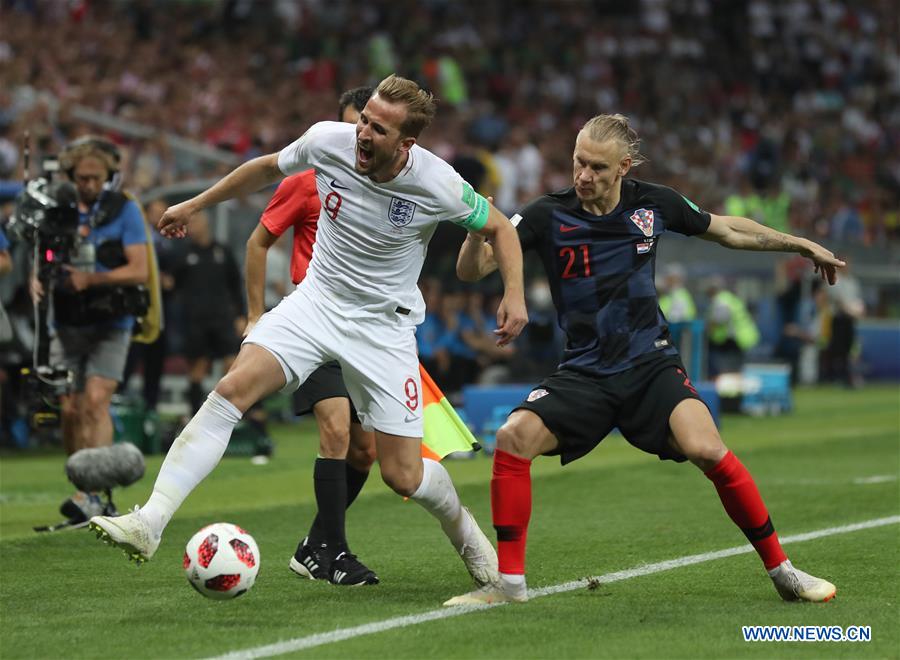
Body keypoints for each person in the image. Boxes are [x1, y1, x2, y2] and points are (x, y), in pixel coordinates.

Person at [90, 75, 528, 595]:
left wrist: (514, 294)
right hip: (315, 303)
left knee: (402, 476)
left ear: (406, 143)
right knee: (231, 390)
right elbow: (262, 168)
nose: (363, 134)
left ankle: (465, 532)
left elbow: (499, 227)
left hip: (382, 328)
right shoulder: (329, 141)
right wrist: (194, 205)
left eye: (379, 129)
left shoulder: (436, 182)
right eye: (364, 120)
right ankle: (150, 521)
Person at [446, 113, 842, 606]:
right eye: (577, 163)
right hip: (585, 373)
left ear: (623, 168)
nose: (582, 175)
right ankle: (509, 587)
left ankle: (784, 573)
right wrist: (476, 227)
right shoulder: (548, 215)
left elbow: (728, 230)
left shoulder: (653, 204)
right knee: (511, 438)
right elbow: (472, 270)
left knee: (709, 449)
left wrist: (798, 243)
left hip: (650, 365)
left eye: (595, 167)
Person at [243, 86, 382, 585]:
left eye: (367, 129)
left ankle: (313, 545)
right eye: (351, 127)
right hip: (315, 323)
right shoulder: (308, 180)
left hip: (365, 330)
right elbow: (258, 242)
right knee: (337, 431)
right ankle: (337, 554)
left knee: (366, 452)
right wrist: (256, 315)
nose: (358, 139)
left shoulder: (390, 186)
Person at [31, 136, 148, 522]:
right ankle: (84, 489)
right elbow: (42, 253)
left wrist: (91, 279)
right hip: (66, 321)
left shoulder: (123, 211)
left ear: (109, 176)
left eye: (97, 178)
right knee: (69, 410)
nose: (90, 186)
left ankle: (95, 495)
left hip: (111, 321)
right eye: (83, 178)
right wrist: (38, 277)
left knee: (96, 401)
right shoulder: (57, 209)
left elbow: (139, 269)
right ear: (70, 176)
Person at [171, 210, 246, 415]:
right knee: (198, 369)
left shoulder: (223, 251)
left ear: (206, 223)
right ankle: (195, 414)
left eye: (196, 221)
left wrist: (241, 315)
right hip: (196, 322)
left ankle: (233, 413)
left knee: (233, 366)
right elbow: (172, 286)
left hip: (222, 319)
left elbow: (236, 286)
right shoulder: (184, 254)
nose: (193, 226)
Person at [704, 276, 760, 377]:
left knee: (730, 370)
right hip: (742, 337)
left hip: (736, 339)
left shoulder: (721, 300)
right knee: (734, 368)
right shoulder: (728, 298)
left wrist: (708, 330)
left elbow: (720, 319)